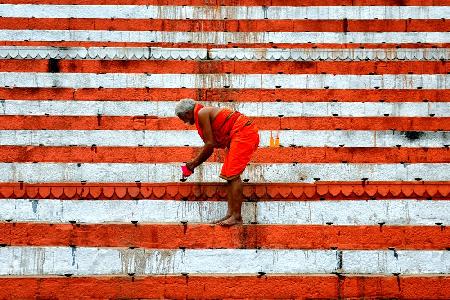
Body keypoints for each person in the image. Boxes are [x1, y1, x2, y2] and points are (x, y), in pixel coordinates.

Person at [175, 99, 259, 226]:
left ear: (187, 113)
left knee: (232, 174)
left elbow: (210, 145)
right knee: (229, 175)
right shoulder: (201, 113)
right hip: (236, 134)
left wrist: (192, 164)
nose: (185, 122)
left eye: (183, 118)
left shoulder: (202, 113)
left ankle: (236, 216)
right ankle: (230, 214)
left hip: (242, 132)